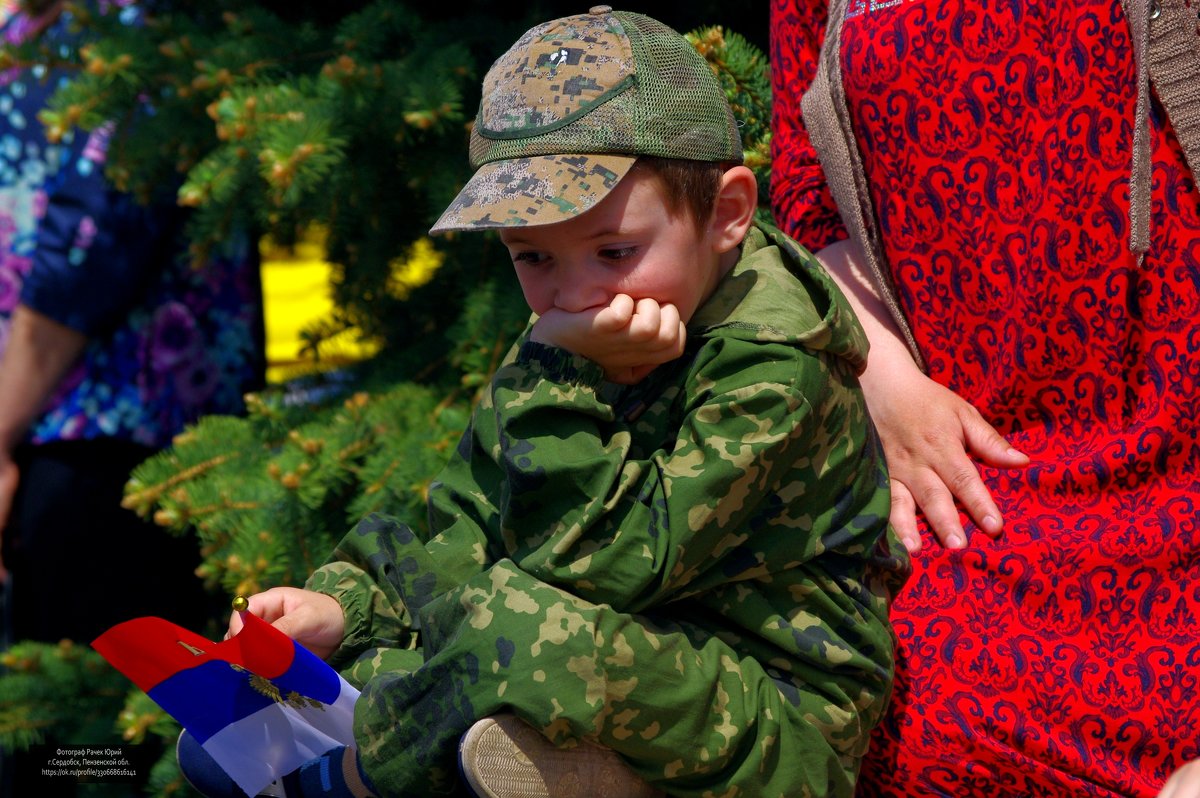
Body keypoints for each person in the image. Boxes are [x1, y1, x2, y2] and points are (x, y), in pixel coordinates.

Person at [180, 6, 910, 797]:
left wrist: (564, 379)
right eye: (532, 256)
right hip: (623, 656)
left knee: (516, 626)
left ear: (728, 214)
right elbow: (468, 520)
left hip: (772, 720)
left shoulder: (772, 372)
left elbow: (600, 567)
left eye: (615, 251)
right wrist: (341, 606)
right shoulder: (571, 329)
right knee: (456, 621)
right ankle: (490, 747)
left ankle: (352, 778)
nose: (576, 290)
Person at [770, 0, 1200, 796]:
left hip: (1182, 437)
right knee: (904, 715)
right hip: (977, 464)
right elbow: (805, 189)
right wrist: (881, 377)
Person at [0, 0, 264, 645]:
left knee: (91, 730)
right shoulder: (31, 26)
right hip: (37, 430)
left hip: (106, 440)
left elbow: (88, 243)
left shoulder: (141, 25)